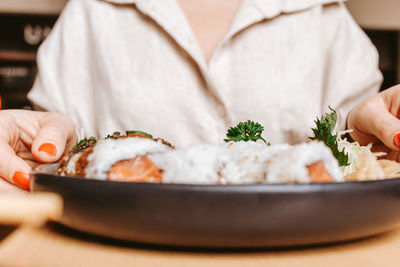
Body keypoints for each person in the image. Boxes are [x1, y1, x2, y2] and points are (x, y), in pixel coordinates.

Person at [1, 0, 400, 191]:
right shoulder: (91, 12)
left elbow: (361, 160)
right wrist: (30, 146)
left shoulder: (323, 13)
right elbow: (45, 161)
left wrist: (369, 135)